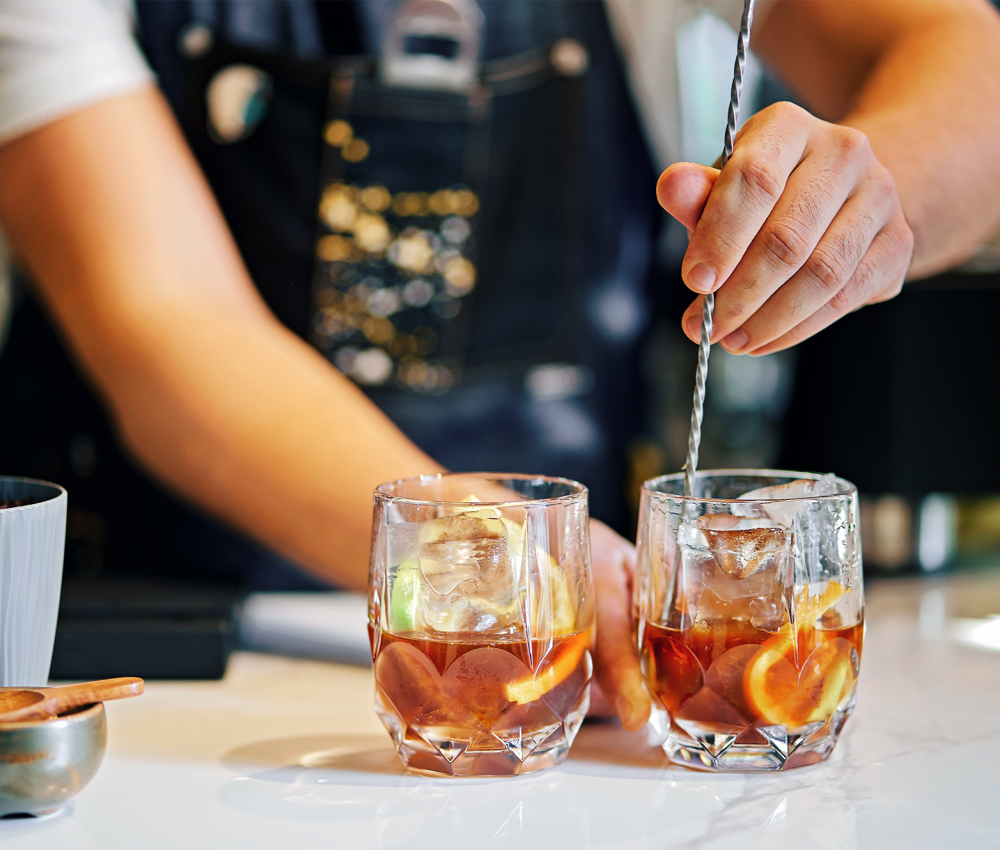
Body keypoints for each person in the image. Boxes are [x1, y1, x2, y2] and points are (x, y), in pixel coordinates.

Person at [0, 0, 999, 732]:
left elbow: (969, 68)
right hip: (168, 664)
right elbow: (168, 326)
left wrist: (868, 193)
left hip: (572, 662)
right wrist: (508, 561)